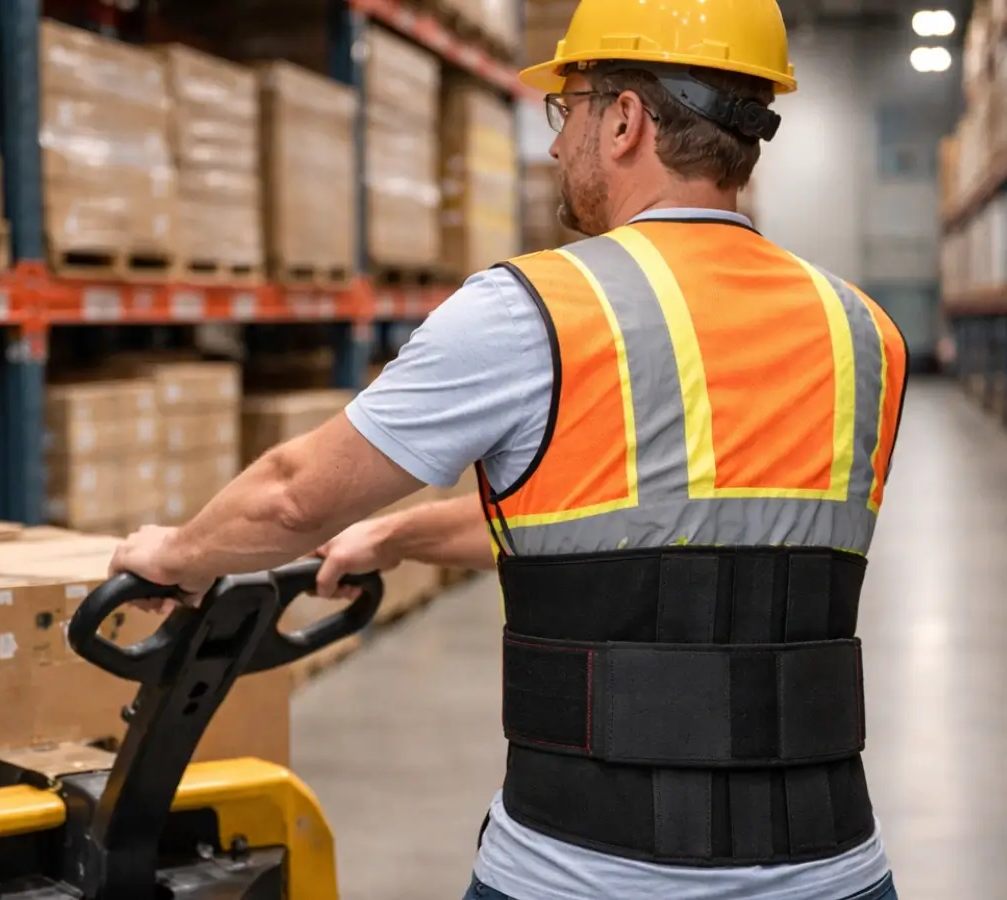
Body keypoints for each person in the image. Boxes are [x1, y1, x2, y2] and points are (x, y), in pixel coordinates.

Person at [109, 0, 910, 896]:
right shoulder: (864, 335)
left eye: (566, 113)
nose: (555, 148)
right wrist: (401, 538)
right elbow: (640, 531)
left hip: (584, 876)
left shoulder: (537, 309)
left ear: (625, 120)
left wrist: (175, 558)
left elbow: (294, 496)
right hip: (837, 873)